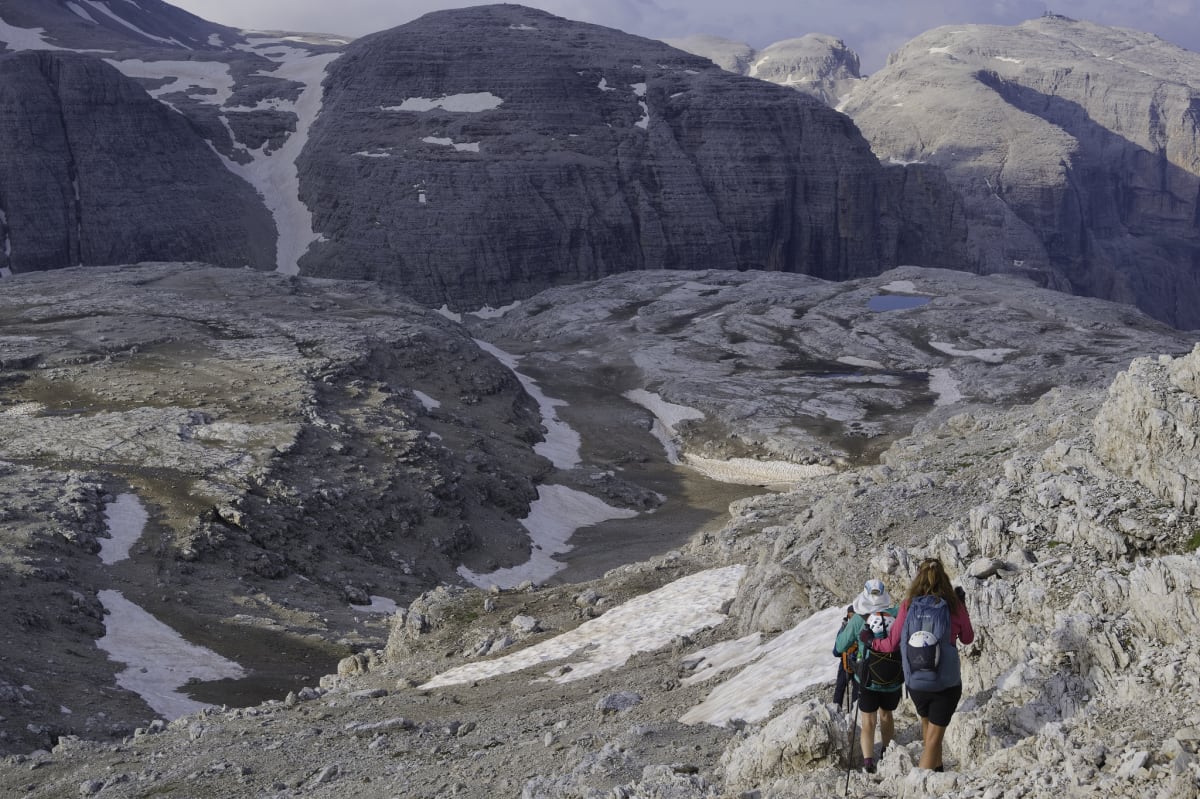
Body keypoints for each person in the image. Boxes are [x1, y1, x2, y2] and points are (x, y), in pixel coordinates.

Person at [872, 557, 975, 772]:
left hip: (916, 683)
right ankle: (922, 783)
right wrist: (962, 606)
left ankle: (936, 773)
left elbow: (891, 643)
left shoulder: (908, 605)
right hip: (945, 684)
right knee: (933, 742)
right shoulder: (953, 605)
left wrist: (870, 641)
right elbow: (967, 638)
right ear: (944, 579)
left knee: (929, 729)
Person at [833, 578, 902, 774]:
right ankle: (887, 753)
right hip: (893, 677)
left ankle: (869, 761)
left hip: (867, 680)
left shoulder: (857, 620)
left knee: (868, 721)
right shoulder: (896, 614)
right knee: (887, 715)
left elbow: (839, 648)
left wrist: (844, 629)